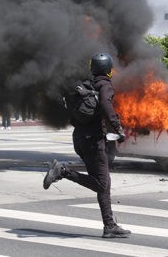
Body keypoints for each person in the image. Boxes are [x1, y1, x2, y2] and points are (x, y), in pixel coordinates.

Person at [43, 52, 130, 238]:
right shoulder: (104, 85)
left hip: (80, 138)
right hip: (93, 141)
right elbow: (107, 106)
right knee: (101, 184)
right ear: (108, 69)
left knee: (104, 184)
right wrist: (118, 127)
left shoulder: (85, 85)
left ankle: (110, 225)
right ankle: (63, 171)